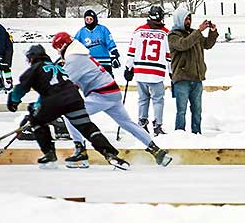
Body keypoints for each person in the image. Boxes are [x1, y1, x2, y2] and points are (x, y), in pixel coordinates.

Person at [51, 32, 172, 168]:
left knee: (71, 114)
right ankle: (156, 150)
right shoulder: (81, 55)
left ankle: (80, 152)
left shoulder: (74, 59)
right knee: (127, 123)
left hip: (101, 94)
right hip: (112, 92)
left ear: (62, 46)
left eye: (57, 49)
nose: (57, 53)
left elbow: (62, 84)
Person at [6, 45, 129, 170]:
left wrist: (13, 102)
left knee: (37, 121)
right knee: (86, 127)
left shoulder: (35, 68)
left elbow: (21, 88)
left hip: (55, 100)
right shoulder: (59, 67)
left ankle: (50, 156)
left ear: (31, 58)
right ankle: (110, 154)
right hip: (74, 99)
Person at [168, 7, 218, 134]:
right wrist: (198, 31)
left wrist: (212, 32)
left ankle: (197, 133)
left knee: (197, 110)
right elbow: (184, 44)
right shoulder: (173, 35)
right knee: (181, 110)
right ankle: (179, 133)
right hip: (182, 79)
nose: (188, 21)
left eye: (189, 18)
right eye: (186, 18)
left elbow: (207, 44)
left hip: (197, 78)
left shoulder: (194, 34)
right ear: (179, 19)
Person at [124, 5, 171, 136]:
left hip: (140, 71)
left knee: (143, 98)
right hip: (156, 72)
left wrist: (129, 68)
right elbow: (169, 56)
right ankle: (157, 125)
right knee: (158, 99)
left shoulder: (138, 31)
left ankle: (142, 122)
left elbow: (131, 52)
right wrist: (171, 71)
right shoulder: (165, 33)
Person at [75, 9, 121, 76]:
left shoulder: (103, 29)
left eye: (91, 19)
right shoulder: (81, 32)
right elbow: (75, 44)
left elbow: (110, 42)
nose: (89, 21)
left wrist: (114, 54)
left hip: (104, 61)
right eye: (87, 19)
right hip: (89, 62)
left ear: (95, 19)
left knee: (107, 80)